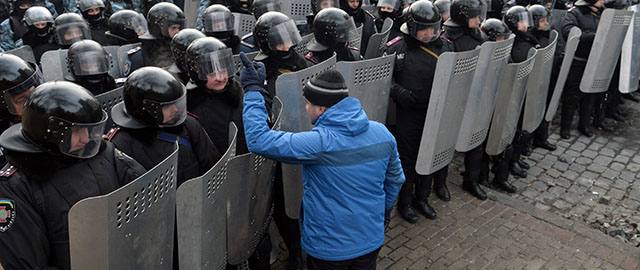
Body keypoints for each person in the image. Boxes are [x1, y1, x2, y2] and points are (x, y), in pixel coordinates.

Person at [240, 53, 405, 269]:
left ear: (322, 109)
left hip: (330, 250)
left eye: (308, 103)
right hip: (370, 241)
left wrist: (253, 91)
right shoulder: (382, 133)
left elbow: (259, 140)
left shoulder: (319, 143)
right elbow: (395, 180)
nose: (306, 108)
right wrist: (380, 217)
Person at [0, 81, 146, 270]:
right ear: (50, 133)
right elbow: (27, 264)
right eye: (77, 131)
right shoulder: (15, 185)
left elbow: (145, 194)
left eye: (89, 129)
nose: (86, 138)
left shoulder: (103, 152)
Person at [252, 10, 310, 270]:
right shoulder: (259, 72)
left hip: (306, 139)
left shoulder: (303, 63)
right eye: (279, 42)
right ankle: (294, 250)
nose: (286, 47)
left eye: (289, 39)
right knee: (284, 202)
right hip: (278, 146)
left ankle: (311, 242)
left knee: (308, 196)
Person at [386, 0, 453, 223]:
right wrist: (399, 92)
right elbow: (383, 79)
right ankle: (404, 202)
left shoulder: (446, 46)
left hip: (435, 112)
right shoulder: (396, 47)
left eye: (433, 29)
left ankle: (422, 197)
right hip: (409, 114)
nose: (429, 34)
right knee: (408, 158)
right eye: (424, 29)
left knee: (430, 154)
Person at [107, 66, 220, 186]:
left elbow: (213, 166)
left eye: (176, 104)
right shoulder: (120, 144)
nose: (176, 110)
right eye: (168, 107)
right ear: (148, 111)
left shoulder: (188, 125)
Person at [442, 0, 489, 200]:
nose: (479, 21)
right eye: (475, 17)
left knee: (476, 141)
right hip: (455, 98)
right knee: (445, 142)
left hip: (476, 94)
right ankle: (440, 183)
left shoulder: (480, 34)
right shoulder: (448, 39)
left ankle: (471, 179)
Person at [559, 0, 604, 139]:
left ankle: (584, 124)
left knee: (590, 95)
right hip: (578, 60)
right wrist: (594, 35)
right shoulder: (574, 14)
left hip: (595, 60)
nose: (603, 1)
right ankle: (565, 127)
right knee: (572, 96)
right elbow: (569, 32)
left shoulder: (602, 13)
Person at [123, 2, 185, 76]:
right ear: (158, 28)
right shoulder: (138, 58)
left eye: (179, 28)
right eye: (173, 28)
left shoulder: (180, 52)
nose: (177, 32)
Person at [528, 4, 559, 151]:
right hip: (532, 82)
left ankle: (541, 138)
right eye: (542, 21)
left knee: (544, 108)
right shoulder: (529, 39)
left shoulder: (549, 35)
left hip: (547, 78)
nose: (546, 24)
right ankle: (527, 143)